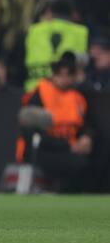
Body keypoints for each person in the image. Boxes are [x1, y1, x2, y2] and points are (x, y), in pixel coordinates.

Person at [17, 52, 93, 192]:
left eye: (69, 74)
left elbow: (86, 125)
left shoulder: (78, 98)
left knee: (82, 162)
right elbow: (30, 131)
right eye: (59, 74)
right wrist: (67, 146)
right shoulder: (41, 92)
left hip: (69, 148)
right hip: (43, 149)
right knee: (72, 162)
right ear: (53, 74)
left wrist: (86, 137)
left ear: (75, 76)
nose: (64, 78)